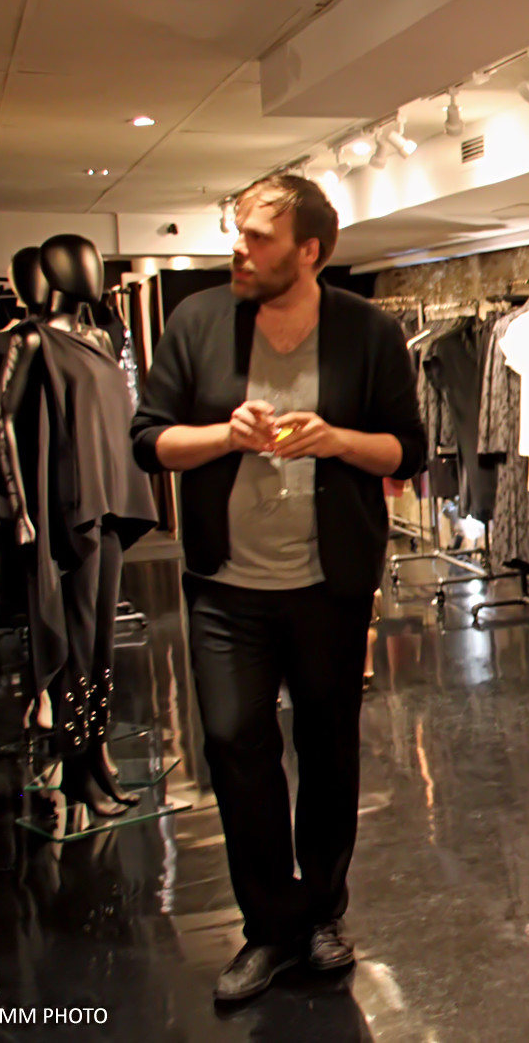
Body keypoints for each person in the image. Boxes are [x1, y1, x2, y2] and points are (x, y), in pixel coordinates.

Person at [131, 175, 426, 1003]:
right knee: (235, 745)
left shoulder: (368, 331)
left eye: (258, 237)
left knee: (329, 747)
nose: (240, 249)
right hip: (225, 586)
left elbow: (407, 450)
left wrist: (336, 439)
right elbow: (149, 441)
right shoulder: (197, 322)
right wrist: (223, 435)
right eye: (238, 231)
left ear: (309, 251)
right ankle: (268, 928)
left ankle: (322, 913)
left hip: (329, 584)